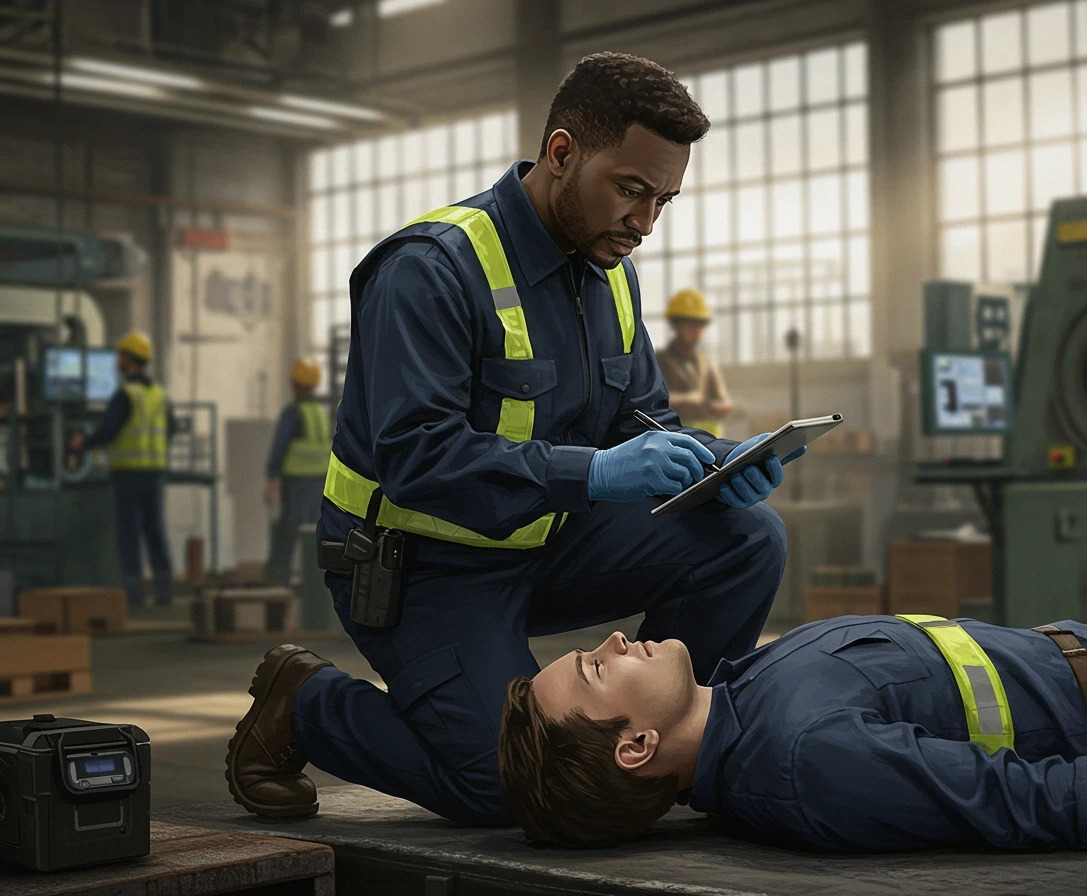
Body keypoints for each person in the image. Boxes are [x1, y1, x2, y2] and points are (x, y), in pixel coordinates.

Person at [225, 52, 804, 825]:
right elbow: (417, 457)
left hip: (544, 541)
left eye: (663, 199)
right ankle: (304, 703)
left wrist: (710, 461)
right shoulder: (428, 270)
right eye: (630, 190)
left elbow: (641, 419)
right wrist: (594, 475)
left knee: (746, 537)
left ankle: (660, 750)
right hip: (423, 566)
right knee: (517, 782)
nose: (645, 223)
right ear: (561, 153)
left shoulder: (611, 273)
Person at [497, 616, 1087, 851]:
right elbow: (1055, 801)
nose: (613, 642)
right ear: (635, 746)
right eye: (595, 669)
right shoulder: (807, 759)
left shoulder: (746, 695)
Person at [70, 331, 176, 607]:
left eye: (120, 356)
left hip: (128, 475)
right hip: (155, 474)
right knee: (155, 532)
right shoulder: (160, 394)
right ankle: (164, 593)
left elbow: (108, 430)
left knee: (129, 534)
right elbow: (172, 428)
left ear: (128, 359)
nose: (118, 360)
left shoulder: (125, 394)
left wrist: (83, 443)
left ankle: (134, 595)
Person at [262, 358, 330, 584]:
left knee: (288, 531)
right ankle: (315, 585)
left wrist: (271, 479)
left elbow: (279, 446)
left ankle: (278, 579)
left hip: (296, 482)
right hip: (320, 482)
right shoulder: (320, 414)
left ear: (294, 384)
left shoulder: (293, 413)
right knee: (312, 534)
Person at [654, 289, 732, 437]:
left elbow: (723, 401)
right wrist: (685, 399)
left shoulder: (706, 363)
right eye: (691, 326)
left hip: (710, 442)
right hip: (675, 440)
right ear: (676, 325)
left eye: (700, 326)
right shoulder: (660, 362)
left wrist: (721, 407)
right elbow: (652, 401)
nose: (697, 331)